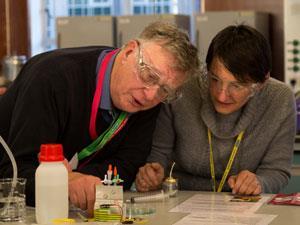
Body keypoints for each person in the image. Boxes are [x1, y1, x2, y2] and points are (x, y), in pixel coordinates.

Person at [0, 21, 199, 215]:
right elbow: (15, 172)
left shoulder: (148, 100)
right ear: (129, 51)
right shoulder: (52, 77)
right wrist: (65, 181)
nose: (150, 95)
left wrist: (78, 179)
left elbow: (126, 167)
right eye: (149, 76)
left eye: (164, 90)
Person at [135, 24, 296, 196]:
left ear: (261, 83)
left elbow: (277, 170)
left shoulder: (279, 99)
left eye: (236, 85)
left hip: (242, 206)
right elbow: (158, 155)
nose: (221, 95)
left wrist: (259, 182)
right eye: (214, 79)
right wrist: (151, 173)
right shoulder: (183, 86)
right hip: (179, 198)